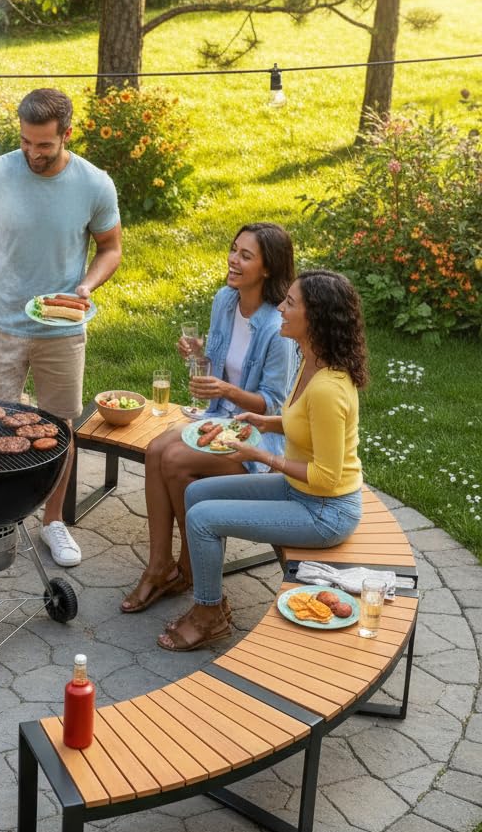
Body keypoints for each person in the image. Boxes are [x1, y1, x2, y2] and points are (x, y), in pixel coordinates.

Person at [0, 88, 122, 567]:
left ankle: (52, 521)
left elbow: (110, 248)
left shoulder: (94, 184)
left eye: (44, 145)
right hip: (1, 321)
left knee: (59, 425)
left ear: (67, 134)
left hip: (61, 326)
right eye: (26, 142)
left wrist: (86, 286)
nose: (32, 153)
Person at [157, 269, 368, 652]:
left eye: (290, 303)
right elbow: (301, 424)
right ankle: (210, 596)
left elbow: (325, 476)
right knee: (198, 495)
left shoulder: (328, 388)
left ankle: (209, 616)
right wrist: (263, 420)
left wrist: (261, 454)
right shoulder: (311, 360)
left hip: (326, 510)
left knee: (203, 520)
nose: (281, 310)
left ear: (315, 317)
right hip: (299, 491)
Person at [121, 223, 297, 612]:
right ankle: (160, 565)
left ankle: (191, 571)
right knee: (154, 451)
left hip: (254, 436)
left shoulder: (275, 327)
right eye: (234, 250)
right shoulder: (225, 300)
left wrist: (226, 391)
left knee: (176, 461)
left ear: (268, 269)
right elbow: (218, 362)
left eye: (246, 255)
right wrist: (199, 351)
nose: (233, 260)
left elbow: (275, 406)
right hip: (218, 419)